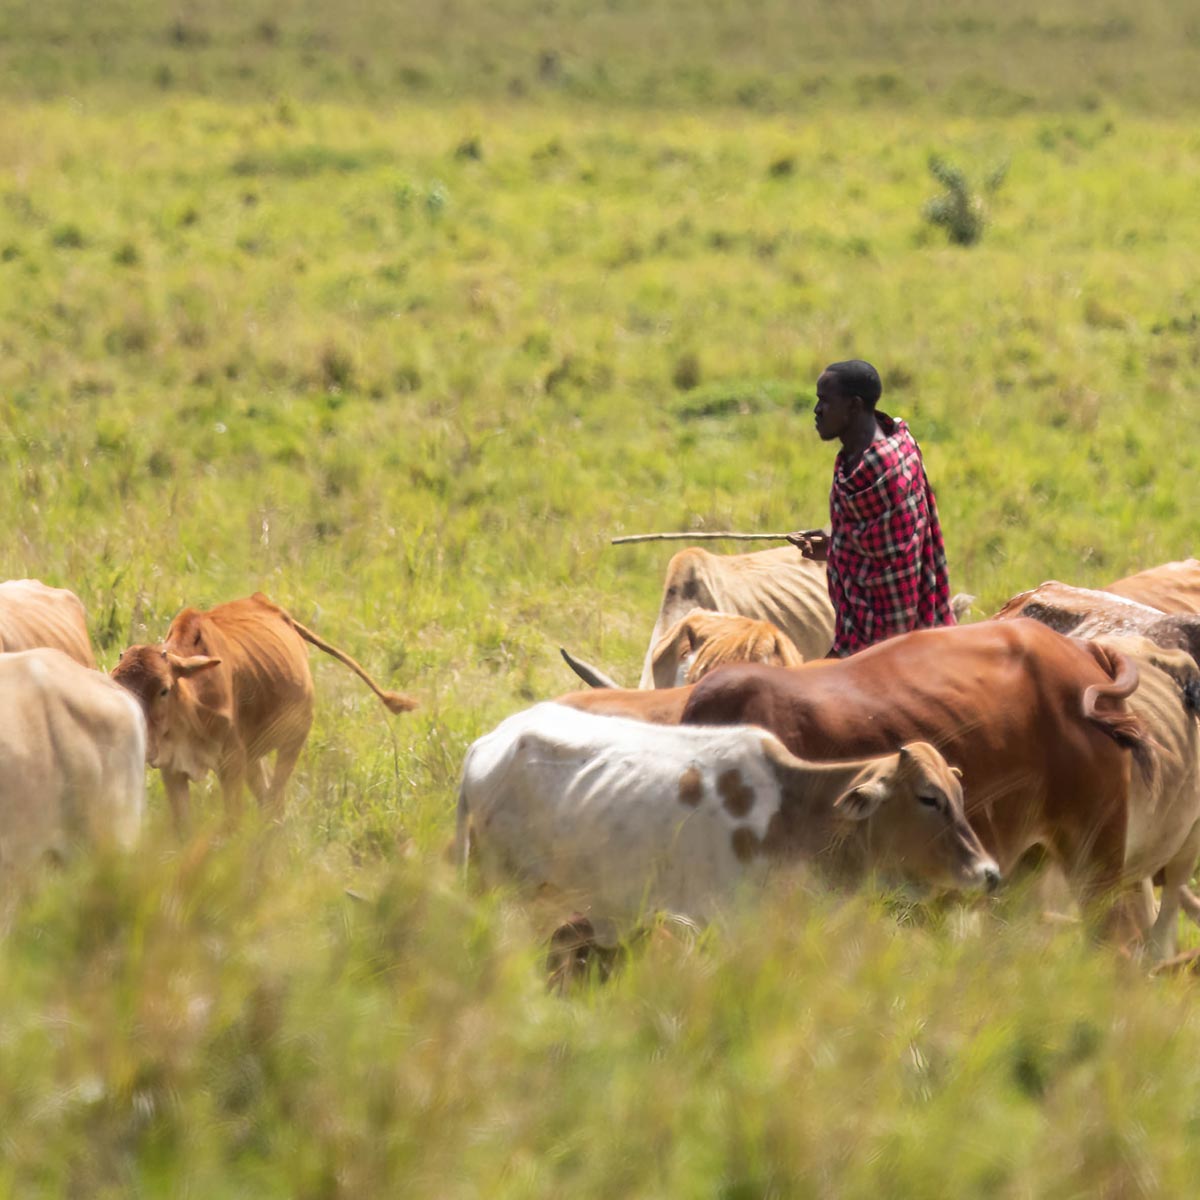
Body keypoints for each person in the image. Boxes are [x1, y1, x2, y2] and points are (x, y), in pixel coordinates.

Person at [788, 359, 954, 656]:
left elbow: (896, 575)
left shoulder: (885, 470)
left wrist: (838, 547)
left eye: (825, 401)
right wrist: (834, 543)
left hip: (890, 642)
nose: (816, 410)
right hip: (855, 632)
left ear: (853, 406)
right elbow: (870, 543)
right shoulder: (862, 458)